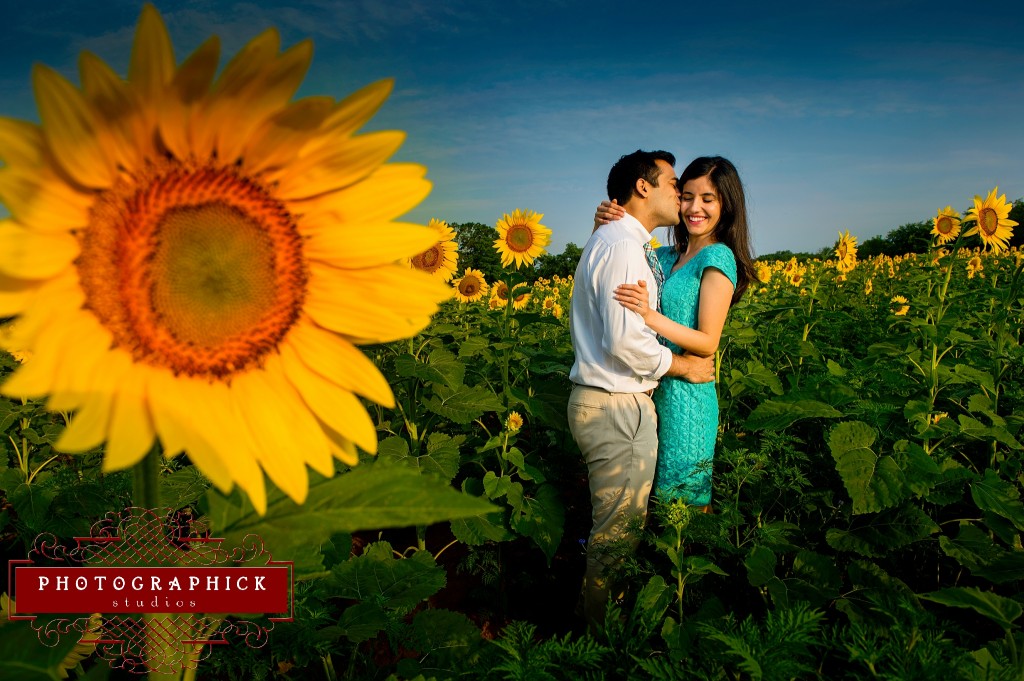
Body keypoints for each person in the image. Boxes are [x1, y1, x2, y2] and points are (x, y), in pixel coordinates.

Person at [568, 150, 715, 629]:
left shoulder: (623, 241)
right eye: (674, 183)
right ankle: (599, 639)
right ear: (643, 187)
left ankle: (599, 621)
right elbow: (625, 340)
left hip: (608, 403)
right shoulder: (624, 246)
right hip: (616, 406)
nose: (680, 193)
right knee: (617, 537)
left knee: (616, 529)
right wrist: (682, 367)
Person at [598, 155, 755, 510]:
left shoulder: (718, 258)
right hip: (655, 390)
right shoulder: (668, 254)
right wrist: (604, 223)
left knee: (684, 505)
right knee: (651, 501)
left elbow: (708, 341)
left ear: (726, 205)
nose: (693, 208)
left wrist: (651, 316)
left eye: (707, 199)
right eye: (686, 196)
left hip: (688, 398)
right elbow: (615, 254)